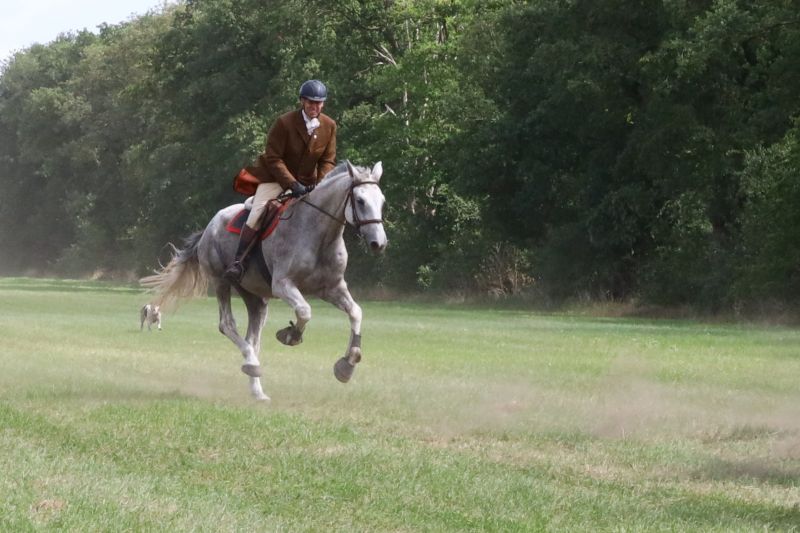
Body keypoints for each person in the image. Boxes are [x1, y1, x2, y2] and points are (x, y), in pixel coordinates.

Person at [224, 79, 337, 282]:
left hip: (309, 183)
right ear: (302, 101)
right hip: (275, 179)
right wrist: (292, 184)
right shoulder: (284, 123)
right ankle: (239, 262)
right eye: (310, 102)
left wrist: (320, 185)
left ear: (323, 103)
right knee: (256, 213)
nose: (314, 106)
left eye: (319, 102)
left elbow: (328, 160)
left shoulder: (329, 125)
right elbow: (273, 158)